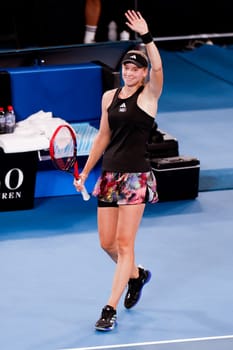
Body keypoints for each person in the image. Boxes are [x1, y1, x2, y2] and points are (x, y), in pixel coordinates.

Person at [74, 9, 163, 331]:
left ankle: (108, 310)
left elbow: (159, 67)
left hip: (136, 177)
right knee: (106, 244)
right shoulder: (109, 97)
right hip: (110, 176)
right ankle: (137, 276)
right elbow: (103, 137)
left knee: (125, 245)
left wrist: (147, 36)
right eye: (126, 66)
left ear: (143, 74)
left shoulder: (149, 96)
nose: (130, 71)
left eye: (136, 68)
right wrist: (85, 172)